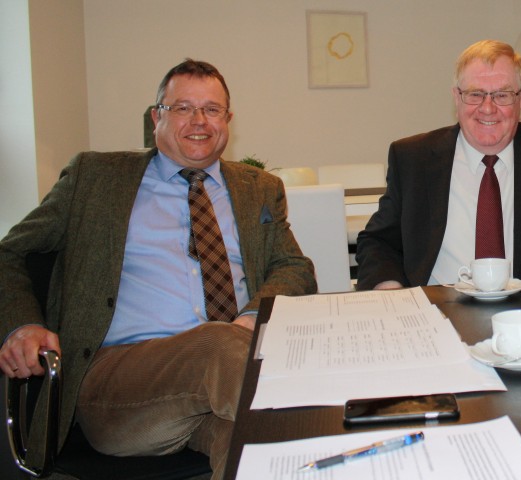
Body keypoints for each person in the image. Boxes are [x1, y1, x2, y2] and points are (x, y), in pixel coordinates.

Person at [0, 59, 317, 479]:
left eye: (212, 109)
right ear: (157, 118)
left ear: (228, 119)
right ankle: (329, 417)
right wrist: (22, 324)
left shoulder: (258, 187)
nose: (199, 121)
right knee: (218, 348)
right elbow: (9, 253)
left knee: (250, 448)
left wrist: (251, 316)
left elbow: (294, 267)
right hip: (119, 383)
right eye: (182, 108)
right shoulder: (95, 178)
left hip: (225, 381)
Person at [356, 40, 521, 290]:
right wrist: (392, 293)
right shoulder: (412, 158)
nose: (487, 108)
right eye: (475, 94)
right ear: (456, 97)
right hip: (439, 307)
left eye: (502, 95)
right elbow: (379, 242)